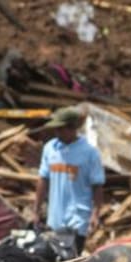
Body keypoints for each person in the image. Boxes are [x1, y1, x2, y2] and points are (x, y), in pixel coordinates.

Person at [33, 107, 105, 253]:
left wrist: (95, 214)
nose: (57, 133)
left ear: (72, 128)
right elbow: (43, 179)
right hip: (55, 217)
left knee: (71, 260)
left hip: (78, 217)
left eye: (60, 129)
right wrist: (36, 210)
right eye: (56, 129)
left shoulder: (89, 153)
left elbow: (97, 185)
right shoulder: (50, 149)